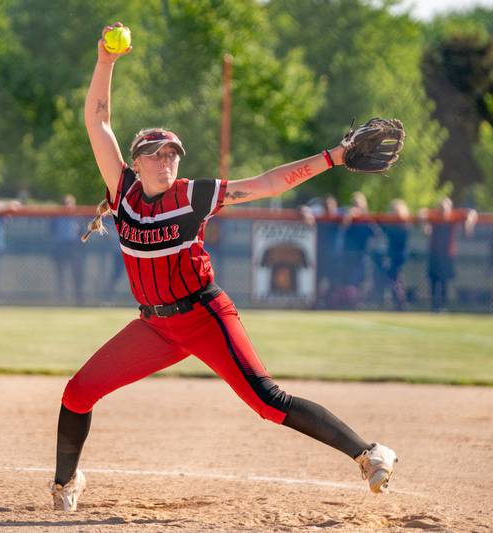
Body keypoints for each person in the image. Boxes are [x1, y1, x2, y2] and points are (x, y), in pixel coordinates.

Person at [49, 22, 401, 512]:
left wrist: (334, 157)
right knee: (78, 392)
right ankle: (65, 484)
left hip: (205, 315)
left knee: (267, 401)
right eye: (157, 152)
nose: (167, 159)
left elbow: (267, 184)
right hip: (155, 327)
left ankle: (367, 453)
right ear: (138, 160)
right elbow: (98, 121)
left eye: (173, 152)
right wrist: (106, 62)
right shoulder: (123, 190)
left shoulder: (190, 195)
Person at [421, 197, 477, 312]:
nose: (443, 210)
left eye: (445, 208)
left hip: (447, 255)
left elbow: (472, 213)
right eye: (441, 207)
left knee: (444, 281)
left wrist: (469, 224)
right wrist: (425, 225)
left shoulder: (453, 216)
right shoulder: (434, 216)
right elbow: (422, 212)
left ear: (450, 208)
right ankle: (433, 306)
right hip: (434, 254)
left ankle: (442, 306)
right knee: (433, 280)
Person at [372, 199, 411, 311]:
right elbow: (378, 224)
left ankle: (401, 302)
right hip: (389, 254)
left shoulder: (404, 224)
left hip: (398, 255)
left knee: (396, 277)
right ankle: (391, 301)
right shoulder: (388, 224)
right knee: (390, 277)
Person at [51, 194, 85, 305]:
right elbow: (51, 231)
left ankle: (78, 299)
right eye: (65, 204)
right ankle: (61, 299)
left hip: (74, 247)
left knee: (77, 274)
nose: (67, 206)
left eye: (69, 203)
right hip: (61, 246)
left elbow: (83, 233)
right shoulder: (57, 217)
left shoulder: (78, 216)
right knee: (61, 274)